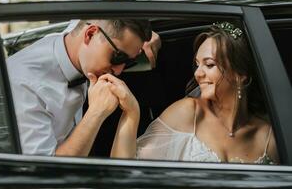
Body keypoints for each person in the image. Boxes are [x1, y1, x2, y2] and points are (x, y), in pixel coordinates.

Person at [111, 22, 280, 164]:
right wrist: (132, 112)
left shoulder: (269, 138)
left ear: (240, 75)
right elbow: (124, 171)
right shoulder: (188, 113)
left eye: (209, 64)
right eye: (197, 64)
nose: (198, 73)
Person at [6, 19, 161, 156]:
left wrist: (141, 37)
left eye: (128, 62)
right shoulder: (24, 83)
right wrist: (96, 112)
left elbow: (97, 16)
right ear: (90, 34)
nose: (119, 71)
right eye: (118, 57)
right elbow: (46, 174)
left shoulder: (80, 39)